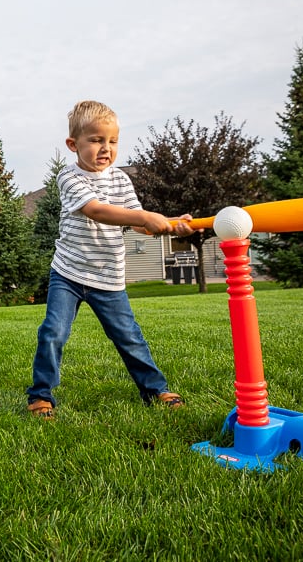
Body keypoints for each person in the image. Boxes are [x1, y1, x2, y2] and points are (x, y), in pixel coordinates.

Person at [26, 100, 197, 418]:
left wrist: (170, 224)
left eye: (112, 141)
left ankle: (155, 389)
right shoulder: (69, 177)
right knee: (53, 332)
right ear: (73, 144)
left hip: (108, 277)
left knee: (129, 337)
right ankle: (40, 395)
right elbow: (97, 210)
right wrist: (148, 216)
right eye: (96, 140)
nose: (105, 148)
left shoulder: (120, 180)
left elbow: (135, 222)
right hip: (69, 273)